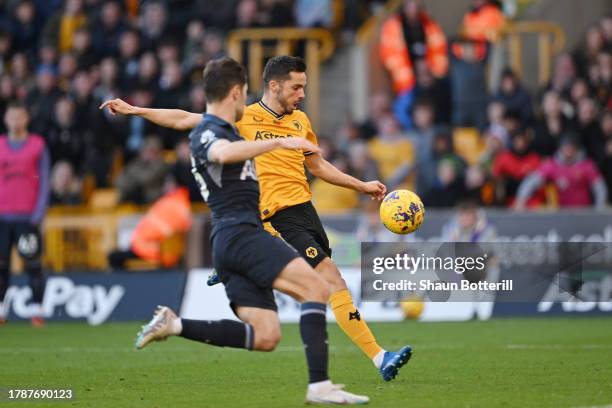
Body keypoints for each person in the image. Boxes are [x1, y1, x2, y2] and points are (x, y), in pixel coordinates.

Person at [100, 55, 412, 382]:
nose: (302, 94)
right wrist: (136, 110)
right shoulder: (244, 117)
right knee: (330, 280)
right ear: (274, 85)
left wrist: (360, 185)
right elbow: (184, 119)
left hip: (305, 211)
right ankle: (374, 359)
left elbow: (318, 167)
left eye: (304, 87)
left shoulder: (300, 122)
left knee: (328, 285)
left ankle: (237, 270)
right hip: (275, 215)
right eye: (296, 87)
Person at [0, 102, 50, 326]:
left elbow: (45, 180)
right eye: (11, 116)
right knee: (1, 265)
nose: (15, 121)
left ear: (26, 119)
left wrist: (38, 213)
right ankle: (1, 310)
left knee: (32, 264)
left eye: (19, 116)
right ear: (6, 119)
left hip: (27, 216)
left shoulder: (37, 145)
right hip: (2, 217)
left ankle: (38, 310)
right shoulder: (0, 145)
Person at [515, 134, 608, 209]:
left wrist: (599, 209)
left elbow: (600, 188)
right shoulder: (552, 165)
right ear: (560, 148)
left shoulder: (586, 165)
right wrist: (521, 201)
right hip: (561, 213)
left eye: (571, 147)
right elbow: (531, 181)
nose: (568, 150)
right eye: (565, 147)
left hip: (583, 213)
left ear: (576, 148)